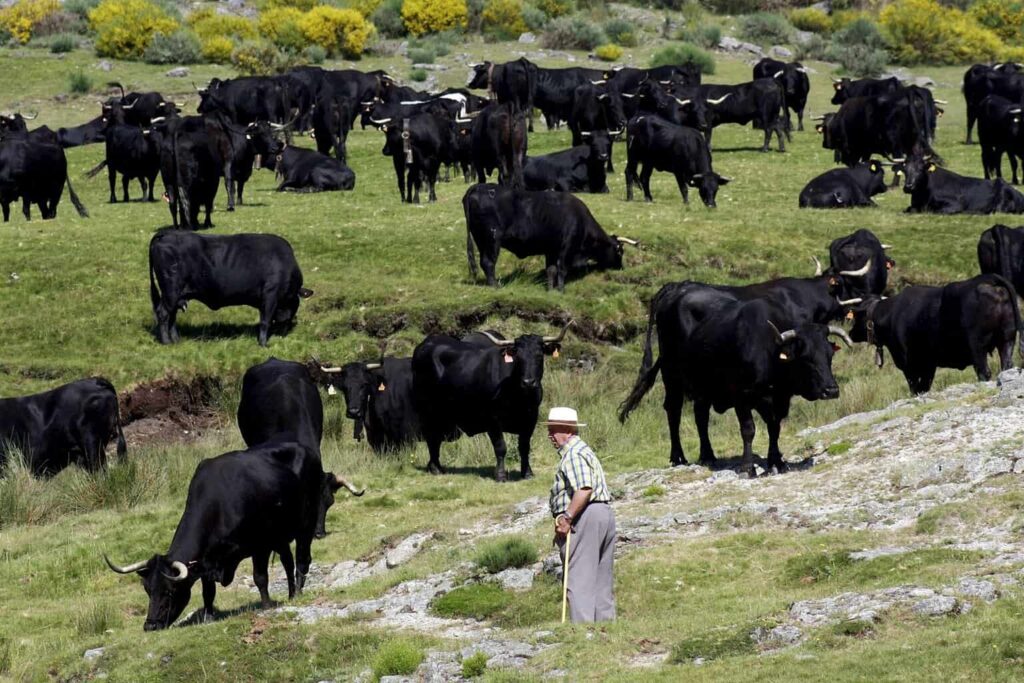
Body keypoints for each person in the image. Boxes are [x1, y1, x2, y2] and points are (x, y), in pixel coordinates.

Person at [546, 406, 616, 623]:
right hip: (603, 513)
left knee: (579, 577)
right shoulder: (584, 450)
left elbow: (584, 488)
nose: (550, 436)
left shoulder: (573, 454)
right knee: (601, 576)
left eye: (553, 430)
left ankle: (582, 631)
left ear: (566, 430)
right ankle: (605, 627)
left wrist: (566, 518)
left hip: (585, 516)